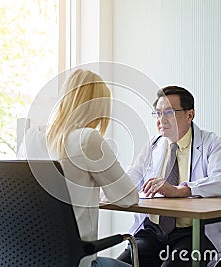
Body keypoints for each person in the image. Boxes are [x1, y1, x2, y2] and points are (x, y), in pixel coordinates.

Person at [19, 69, 139, 267]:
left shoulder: (31, 137)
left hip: (31, 255)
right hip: (76, 260)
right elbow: (128, 197)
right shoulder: (87, 139)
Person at [117, 86, 221, 267]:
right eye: (157, 113)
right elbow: (132, 177)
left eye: (169, 112)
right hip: (153, 231)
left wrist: (180, 190)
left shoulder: (213, 144)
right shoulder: (152, 146)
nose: (161, 119)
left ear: (189, 115)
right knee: (117, 265)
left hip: (194, 232)